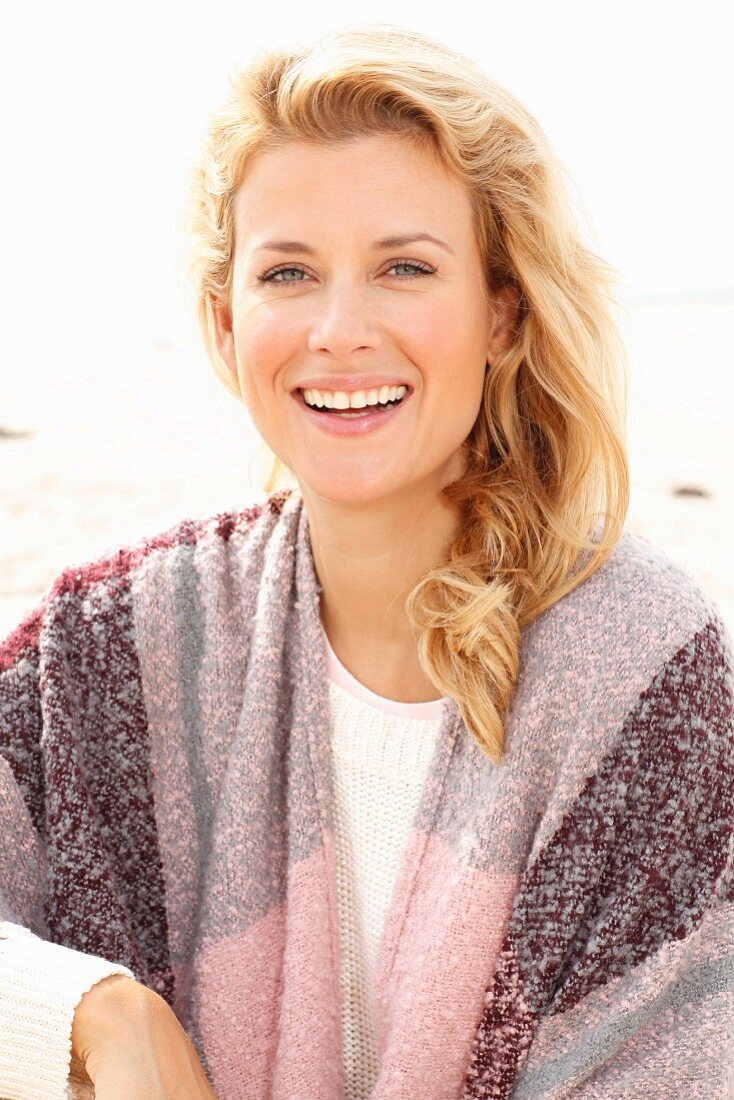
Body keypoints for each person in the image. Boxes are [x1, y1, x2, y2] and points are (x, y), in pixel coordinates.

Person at [1, 21, 732, 1100]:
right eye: (288, 271)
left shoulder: (639, 671)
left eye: (403, 266)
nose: (340, 329)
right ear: (225, 319)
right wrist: (98, 1015)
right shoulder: (116, 643)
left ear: (502, 311)